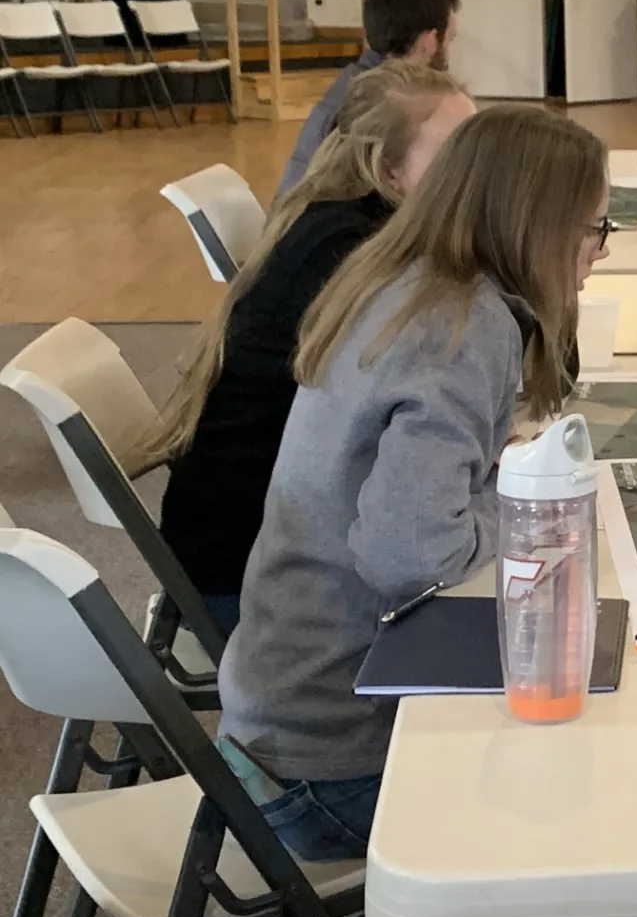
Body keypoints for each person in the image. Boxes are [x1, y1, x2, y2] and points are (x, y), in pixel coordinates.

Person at [217, 107, 615, 917]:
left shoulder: (409, 283)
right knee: (623, 844)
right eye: (593, 231)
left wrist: (487, 490)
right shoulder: (462, 327)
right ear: (536, 226)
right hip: (326, 760)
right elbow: (408, 554)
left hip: (275, 716)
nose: (596, 256)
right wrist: (519, 516)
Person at [140, 61, 476, 636]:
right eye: (458, 155)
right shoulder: (345, 255)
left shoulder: (355, 223)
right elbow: (428, 393)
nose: (477, 170)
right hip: (256, 578)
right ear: (389, 169)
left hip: (268, 537)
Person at [277, 0, 461, 196]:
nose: (451, 51)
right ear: (430, 41)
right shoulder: (378, 103)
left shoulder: (358, 81)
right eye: (450, 39)